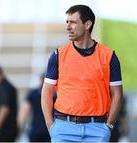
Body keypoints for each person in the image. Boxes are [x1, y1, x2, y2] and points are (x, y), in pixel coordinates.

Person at [41, 4, 123, 142]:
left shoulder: (109, 56)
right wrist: (51, 126)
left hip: (98, 130)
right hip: (63, 129)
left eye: (72, 22)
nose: (67, 27)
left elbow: (117, 94)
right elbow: (46, 92)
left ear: (87, 25)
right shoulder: (58, 55)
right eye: (67, 22)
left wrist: (108, 126)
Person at [18, 73, 52, 142]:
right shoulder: (53, 94)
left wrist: (20, 128)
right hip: (48, 129)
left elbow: (24, 111)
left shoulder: (33, 93)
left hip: (35, 129)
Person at [0, 65, 19, 142]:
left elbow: (4, 109)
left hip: (5, 131)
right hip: (7, 130)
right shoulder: (5, 86)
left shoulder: (4, 88)